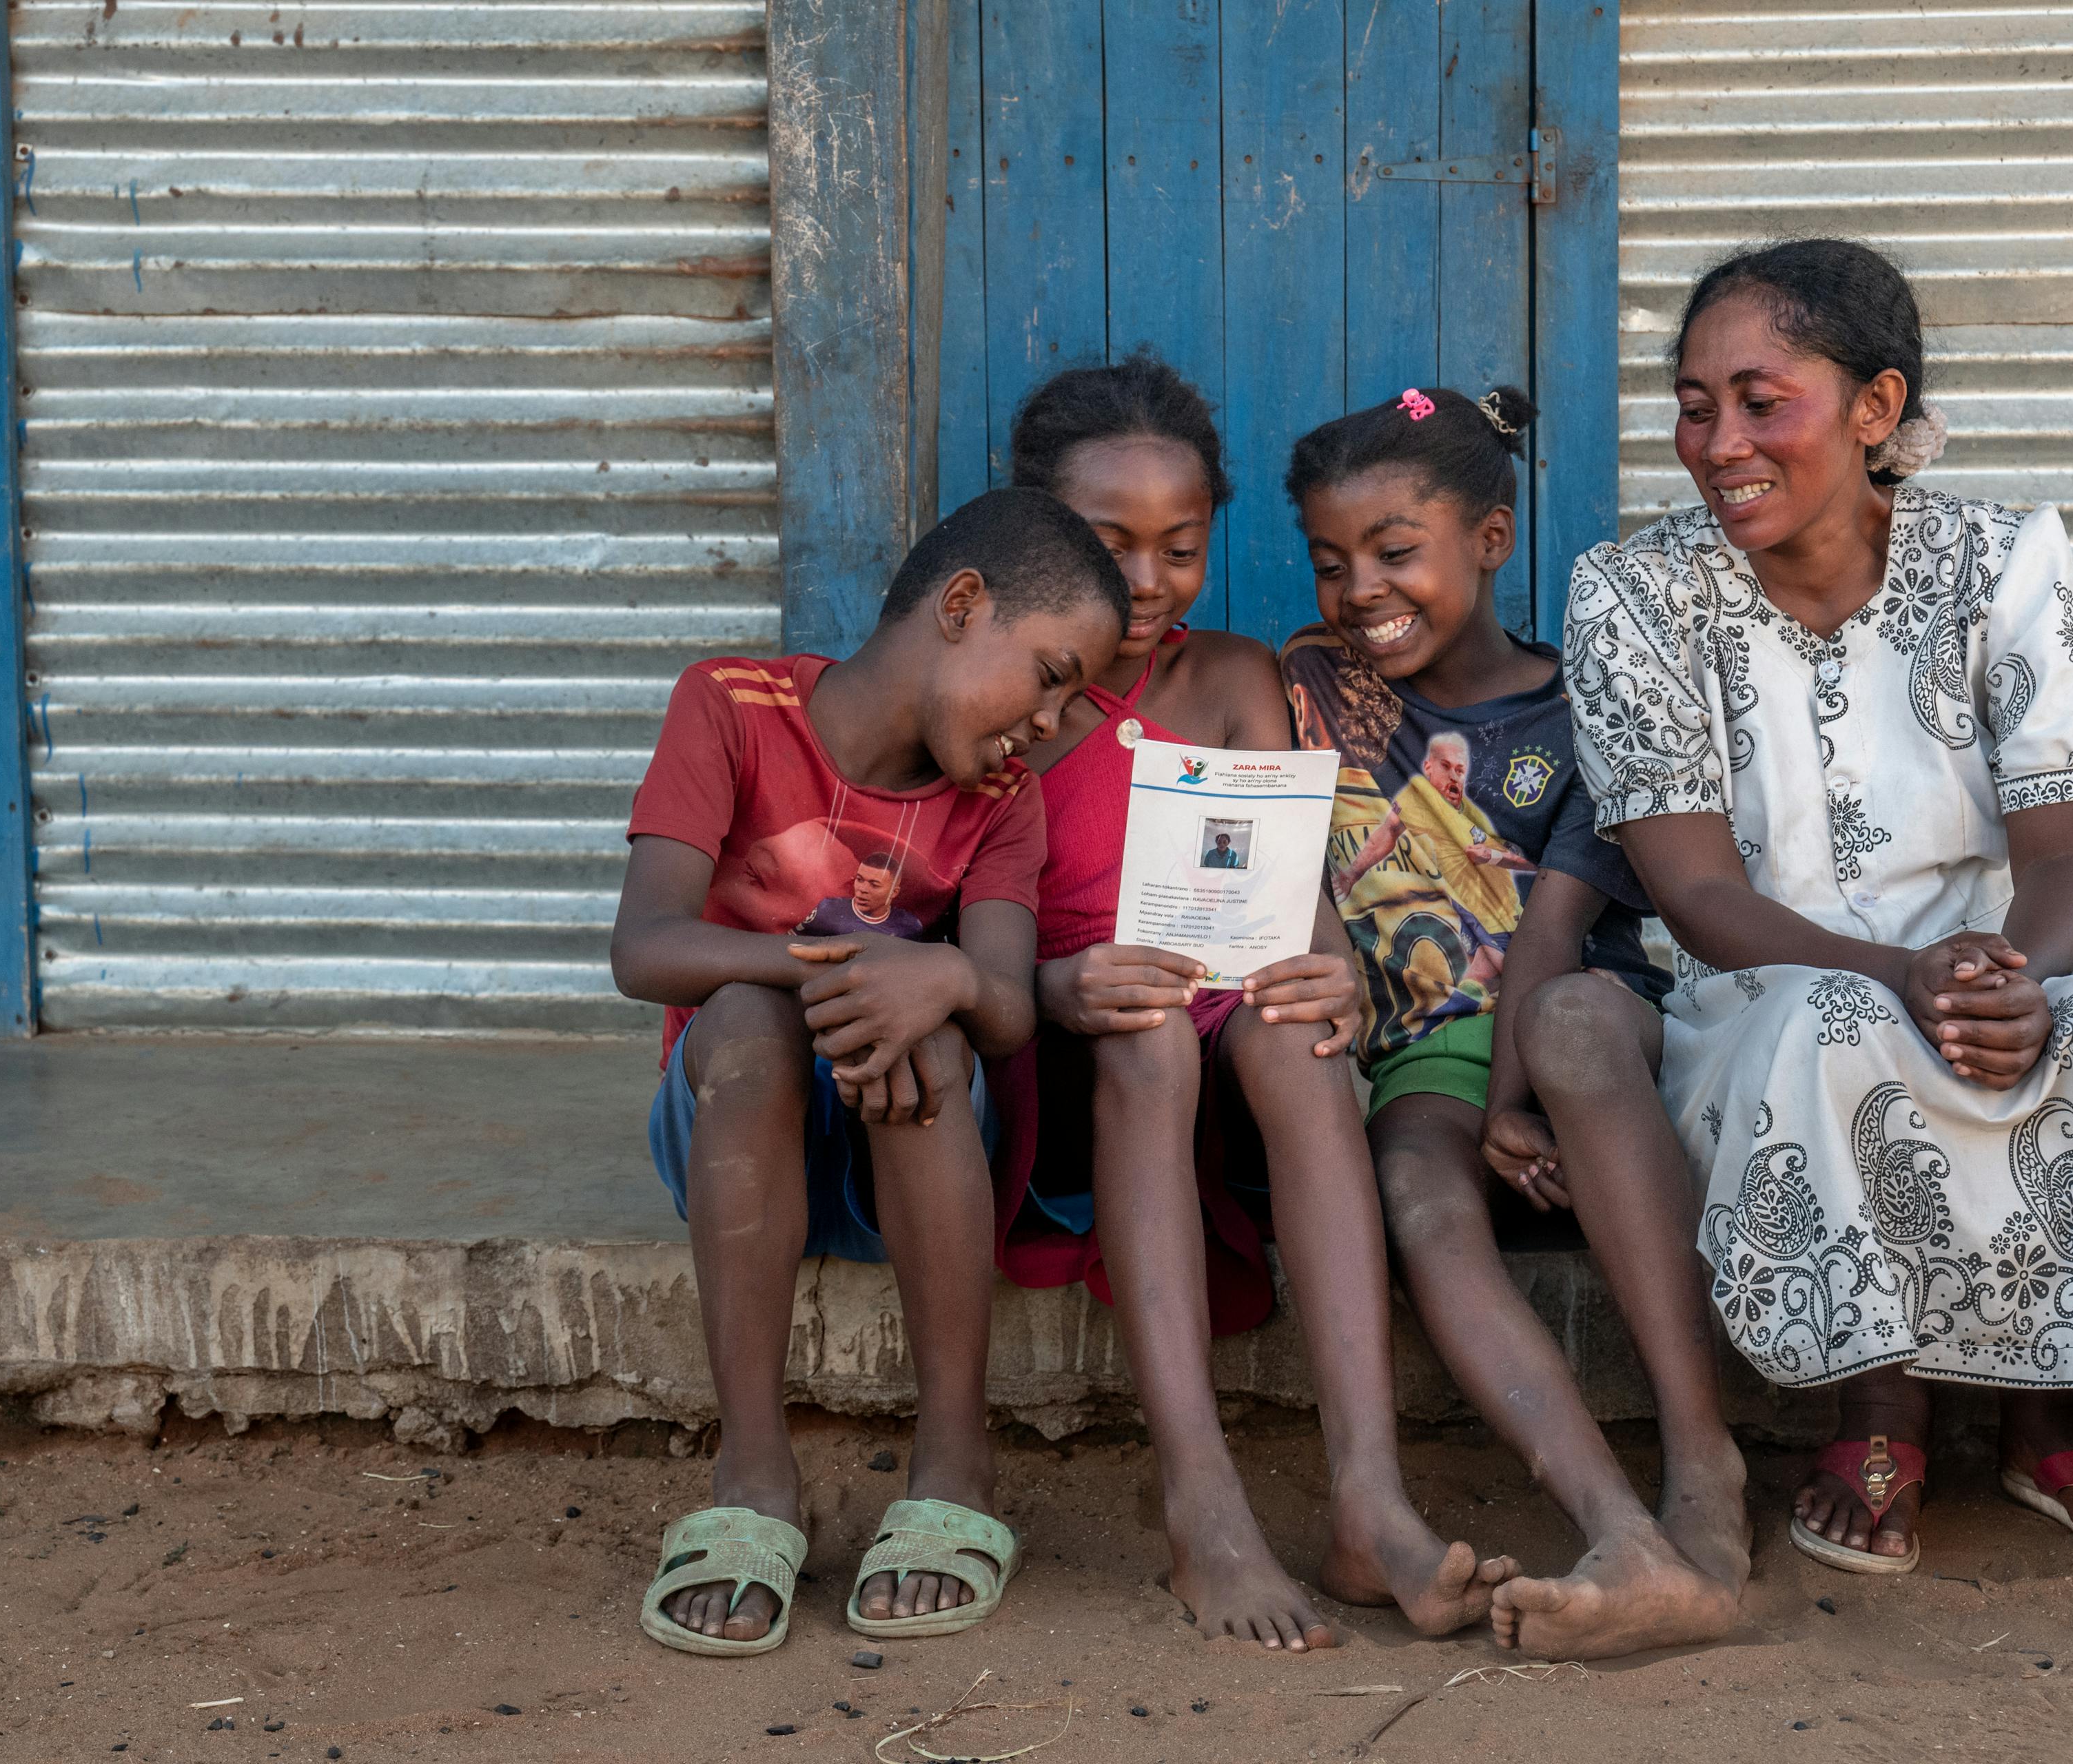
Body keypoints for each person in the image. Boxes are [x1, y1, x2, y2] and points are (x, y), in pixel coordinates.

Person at [1558, 238, 2073, 1578]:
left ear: (1875, 407)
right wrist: (1903, 976)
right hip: (1764, 1006)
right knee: (1828, 1026)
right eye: (1694, 406)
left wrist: (2011, 977)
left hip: (1993, 978)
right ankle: (1879, 1404)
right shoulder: (1633, 595)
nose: (1718, 443)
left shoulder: (2006, 562)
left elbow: (2065, 853)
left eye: (1761, 401)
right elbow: (1696, 894)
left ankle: (2053, 1409)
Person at [995, 351, 1513, 1651]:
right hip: (1058, 1040)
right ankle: (1204, 1506)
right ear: (1036, 528)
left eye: (1182, 549)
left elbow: (1290, 897)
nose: (1150, 581)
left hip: (1211, 1020)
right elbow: (949, 917)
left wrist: (1328, 967)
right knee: (1150, 1041)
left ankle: (1368, 1501)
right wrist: (1057, 985)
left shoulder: (1228, 680)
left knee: (1294, 1041)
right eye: (1111, 545)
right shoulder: (1000, 690)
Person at [611, 488, 1129, 1654]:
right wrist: (851, 973)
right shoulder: (731, 706)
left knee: (931, 1026)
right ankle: (753, 1471)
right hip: (741, 1138)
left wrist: (932, 982)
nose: (1051, 720)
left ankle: (954, 1458)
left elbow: (1005, 1007)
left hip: (913, 1154)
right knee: (750, 1016)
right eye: (1050, 676)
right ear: (962, 605)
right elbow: (645, 948)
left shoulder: (1002, 802)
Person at [1279, 384, 1750, 1659]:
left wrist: (1513, 1105)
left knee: (1573, 1024)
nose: (1361, 590)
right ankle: (1617, 1532)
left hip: (1573, 1027)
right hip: (1424, 1055)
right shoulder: (1315, 690)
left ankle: (1702, 1465)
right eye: (1330, 563)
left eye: (1394, 552)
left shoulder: (1584, 710)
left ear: (1490, 539)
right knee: (1417, 1192)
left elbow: (1551, 929)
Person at [799, 850, 928, 940]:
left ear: (894, 892)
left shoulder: (908, 927)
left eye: (874, 885)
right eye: (860, 880)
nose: (863, 889)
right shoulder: (828, 910)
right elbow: (792, 949)